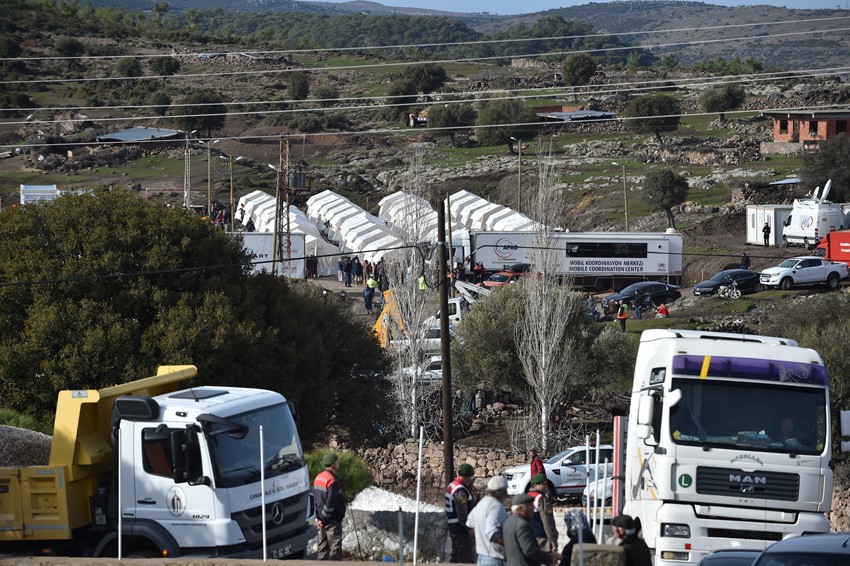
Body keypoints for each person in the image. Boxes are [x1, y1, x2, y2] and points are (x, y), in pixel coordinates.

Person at [503, 494, 560, 566]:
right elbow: (530, 550)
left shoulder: (508, 522)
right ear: (520, 509)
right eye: (530, 506)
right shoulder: (522, 525)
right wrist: (550, 559)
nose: (533, 508)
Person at [467, 475, 509, 566]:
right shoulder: (496, 506)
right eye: (505, 491)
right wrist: (510, 544)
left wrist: (481, 541)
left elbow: (470, 525)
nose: (506, 494)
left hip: (481, 557)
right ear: (500, 492)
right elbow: (492, 533)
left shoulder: (481, 504)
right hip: (494, 558)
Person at [314, 452, 346, 560]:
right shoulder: (332, 480)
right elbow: (330, 503)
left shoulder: (318, 477)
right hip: (331, 520)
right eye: (337, 461)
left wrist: (318, 518)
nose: (338, 463)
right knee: (335, 548)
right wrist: (323, 518)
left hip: (320, 519)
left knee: (322, 549)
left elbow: (315, 500)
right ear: (332, 464)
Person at [446, 463, 477, 563]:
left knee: (456, 555)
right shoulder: (461, 491)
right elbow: (462, 512)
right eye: (469, 477)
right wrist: (468, 528)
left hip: (454, 526)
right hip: (460, 528)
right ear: (467, 476)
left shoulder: (452, 485)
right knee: (465, 558)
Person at [528, 474, 558, 552]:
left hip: (528, 537)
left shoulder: (526, 497)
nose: (545, 486)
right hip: (541, 537)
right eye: (542, 484)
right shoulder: (541, 499)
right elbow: (547, 521)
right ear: (535, 485)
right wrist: (553, 541)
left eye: (545, 483)